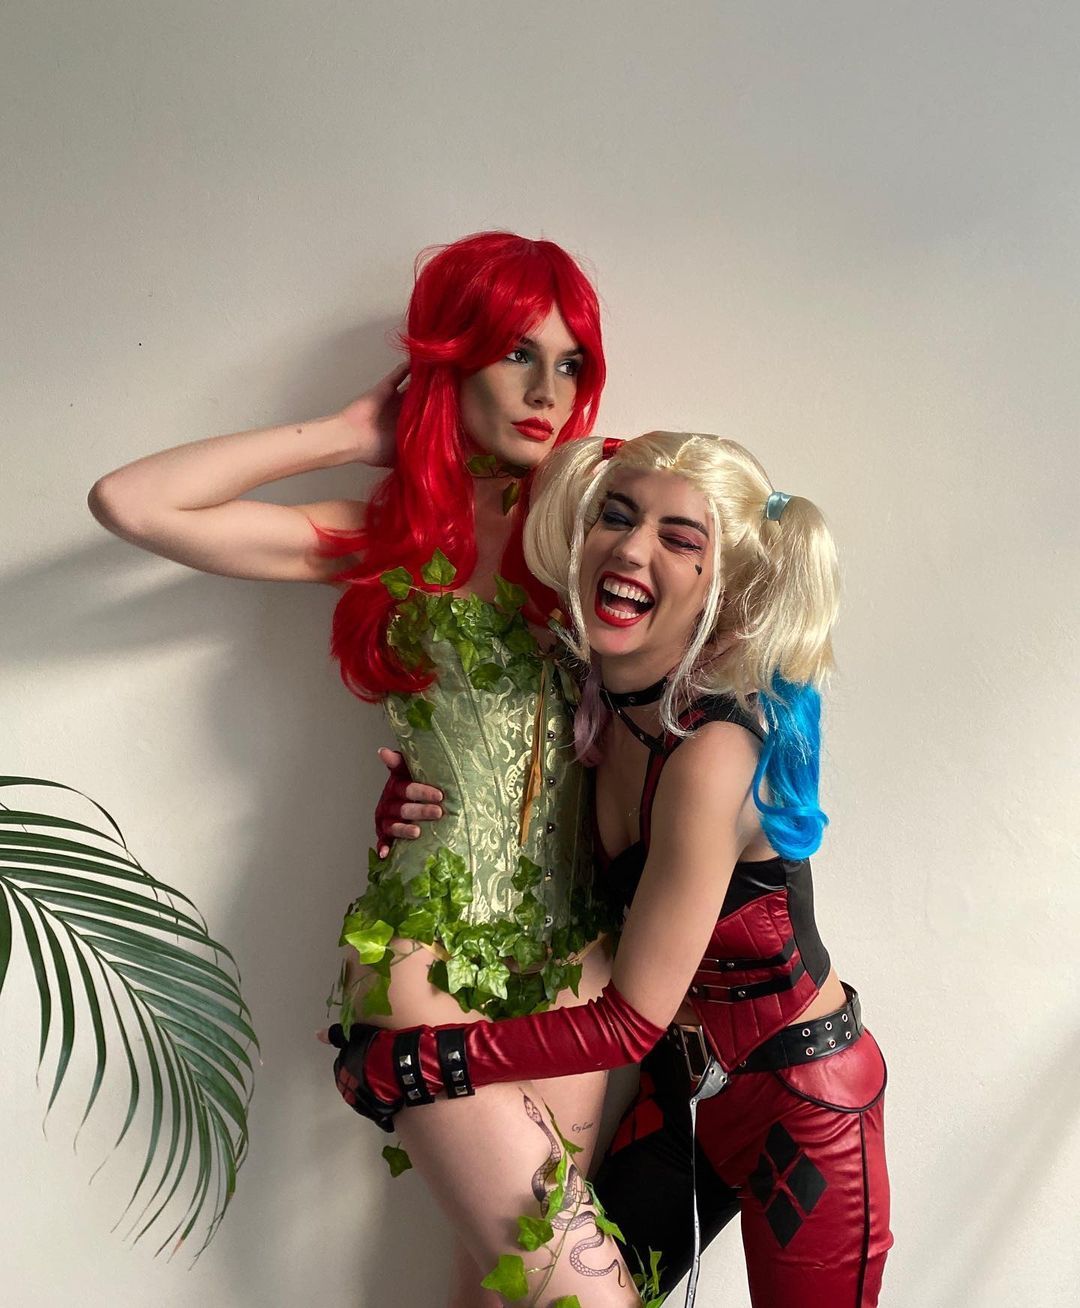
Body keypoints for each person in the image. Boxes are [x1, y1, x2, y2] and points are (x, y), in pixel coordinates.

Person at [88, 232, 632, 1307]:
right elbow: (131, 502)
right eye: (515, 354)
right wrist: (347, 433)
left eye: (570, 363)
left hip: (580, 965)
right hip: (426, 951)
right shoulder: (394, 537)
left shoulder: (602, 532)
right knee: (579, 1292)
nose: (546, 391)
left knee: (504, 1293)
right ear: (452, 360)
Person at [329, 431, 893, 1307]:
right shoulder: (590, 696)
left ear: (721, 587)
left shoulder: (713, 753)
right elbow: (506, 814)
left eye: (679, 538)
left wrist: (424, 1064)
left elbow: (627, 1024)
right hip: (682, 1100)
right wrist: (409, 806)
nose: (631, 549)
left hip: (804, 1107)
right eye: (618, 518)